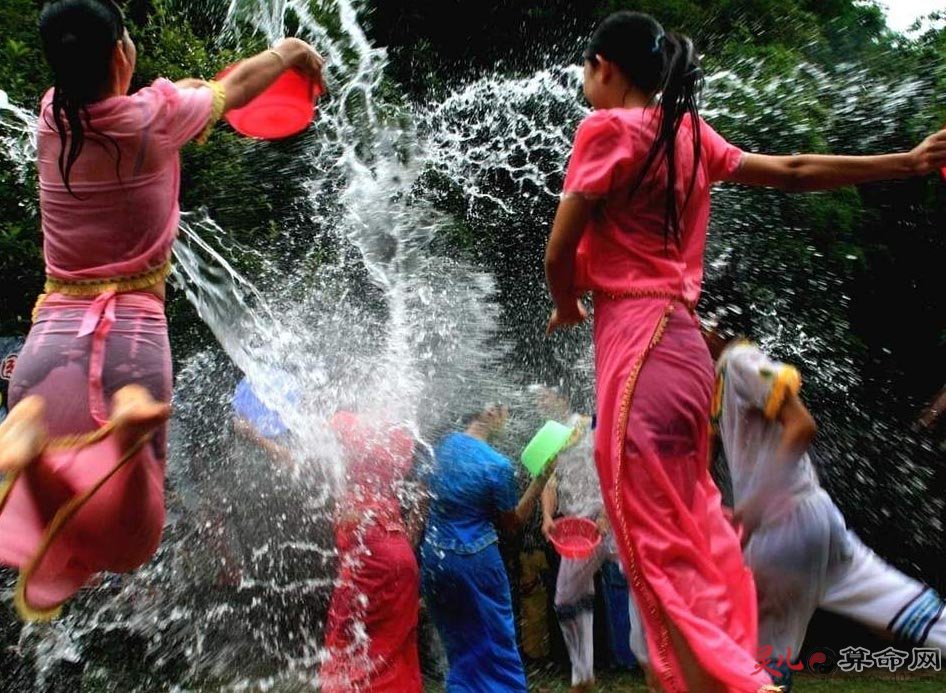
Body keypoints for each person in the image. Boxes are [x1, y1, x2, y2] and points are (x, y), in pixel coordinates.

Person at [543, 10, 946, 692]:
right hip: (684, 354)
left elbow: (559, 251)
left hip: (636, 352)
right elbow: (791, 170)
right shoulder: (692, 136)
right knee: (690, 526)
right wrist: (906, 161)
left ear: (605, 68)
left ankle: (740, 682)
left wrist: (564, 302)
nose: (584, 84)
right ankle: (728, 669)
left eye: (586, 70)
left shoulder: (604, 129)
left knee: (653, 542)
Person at [0, 0, 325, 620]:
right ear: (122, 53)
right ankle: (109, 431)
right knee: (132, 541)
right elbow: (235, 88)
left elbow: (216, 90)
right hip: (129, 338)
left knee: (82, 523)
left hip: (49, 350)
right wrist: (289, 53)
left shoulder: (50, 119)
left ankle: (34, 452)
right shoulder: (152, 118)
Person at [709, 335, 946, 691]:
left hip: (779, 530)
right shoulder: (719, 380)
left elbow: (802, 425)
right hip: (817, 516)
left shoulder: (738, 360)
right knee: (905, 606)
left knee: (758, 665)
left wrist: (753, 505)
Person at [421, 403, 556, 692]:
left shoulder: (443, 446)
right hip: (476, 565)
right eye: (505, 411)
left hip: (436, 560)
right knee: (495, 649)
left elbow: (423, 495)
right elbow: (512, 523)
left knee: (459, 650)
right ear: (492, 413)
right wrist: (542, 477)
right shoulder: (497, 465)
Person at [320, 410, 423, 693]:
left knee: (348, 647)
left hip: (369, 549)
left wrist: (256, 437)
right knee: (394, 651)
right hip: (399, 551)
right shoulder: (398, 434)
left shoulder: (343, 423)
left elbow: (305, 459)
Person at [537, 387, 614, 693]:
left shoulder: (591, 423)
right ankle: (583, 677)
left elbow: (613, 464)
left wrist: (608, 512)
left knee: (642, 583)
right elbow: (548, 481)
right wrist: (546, 516)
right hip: (579, 531)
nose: (541, 403)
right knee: (566, 599)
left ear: (562, 398)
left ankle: (663, 664)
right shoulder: (548, 436)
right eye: (537, 400)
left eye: (545, 397)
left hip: (610, 520)